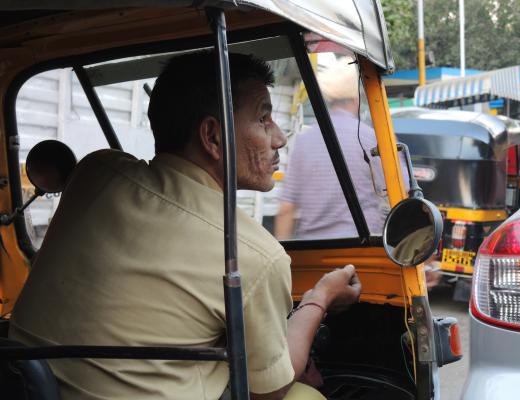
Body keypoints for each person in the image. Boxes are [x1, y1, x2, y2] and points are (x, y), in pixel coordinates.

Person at [9, 52, 362, 400]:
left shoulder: (96, 172)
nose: (280, 138)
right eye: (264, 119)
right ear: (213, 136)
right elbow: (270, 390)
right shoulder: (252, 255)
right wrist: (320, 298)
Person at [275, 57, 388, 240]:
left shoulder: (304, 141)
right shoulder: (371, 139)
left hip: (315, 253)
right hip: (361, 251)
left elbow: (286, 210)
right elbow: (402, 194)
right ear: (357, 98)